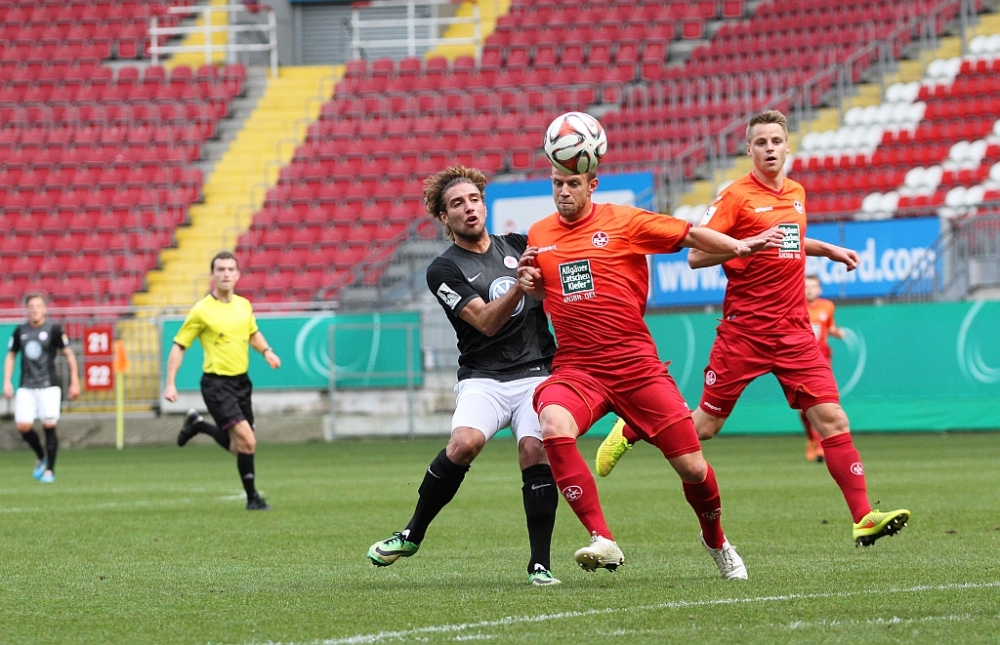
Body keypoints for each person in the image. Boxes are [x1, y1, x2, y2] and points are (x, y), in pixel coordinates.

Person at [597, 110, 909, 547]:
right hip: (745, 333)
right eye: (761, 142)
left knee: (833, 419)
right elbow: (696, 255)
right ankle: (632, 428)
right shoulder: (736, 197)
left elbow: (788, 239)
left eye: (776, 141)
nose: (769, 148)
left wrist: (827, 249)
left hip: (794, 331)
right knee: (703, 428)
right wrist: (742, 246)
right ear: (749, 149)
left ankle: (863, 517)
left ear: (787, 147)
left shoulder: (796, 192)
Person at [516, 162, 783, 579]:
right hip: (578, 367)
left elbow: (690, 235)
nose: (563, 191)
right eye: (557, 183)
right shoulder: (539, 234)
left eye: (572, 183)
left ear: (592, 185)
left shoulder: (625, 221)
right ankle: (602, 538)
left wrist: (739, 246)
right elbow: (544, 288)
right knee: (552, 424)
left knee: (693, 467)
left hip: (634, 365)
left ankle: (716, 540)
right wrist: (532, 284)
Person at [367, 166, 561, 586]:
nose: (469, 208)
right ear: (444, 217)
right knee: (465, 443)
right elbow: (486, 322)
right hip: (483, 377)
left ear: (484, 205)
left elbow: (554, 289)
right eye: (458, 203)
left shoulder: (520, 245)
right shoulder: (443, 270)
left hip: (535, 373)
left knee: (534, 449)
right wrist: (519, 286)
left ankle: (540, 565)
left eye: (474, 199)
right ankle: (412, 534)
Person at [163, 251, 281, 511]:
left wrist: (267, 351)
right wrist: (170, 382)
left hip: (242, 383)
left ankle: (198, 425)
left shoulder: (243, 305)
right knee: (248, 441)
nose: (226, 274)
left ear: (237, 275)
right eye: (220, 269)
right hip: (216, 384)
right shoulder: (201, 310)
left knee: (241, 447)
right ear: (212, 275)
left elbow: (253, 333)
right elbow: (179, 345)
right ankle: (253, 499)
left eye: (230, 269)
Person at [3, 292, 80, 483]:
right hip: (26, 385)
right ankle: (41, 455)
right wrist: (7, 381)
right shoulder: (20, 331)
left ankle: (50, 471)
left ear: (45, 309)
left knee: (49, 425)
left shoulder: (54, 329)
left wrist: (75, 381)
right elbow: (11, 355)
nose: (35, 310)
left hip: (48, 385)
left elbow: (69, 355)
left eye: (38, 306)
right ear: (27, 310)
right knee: (23, 426)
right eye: (31, 307)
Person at [802, 274, 844, 462]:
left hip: (822, 360)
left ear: (819, 289)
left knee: (822, 403)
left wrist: (836, 332)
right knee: (803, 410)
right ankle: (812, 439)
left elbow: (828, 327)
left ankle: (821, 447)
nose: (809, 290)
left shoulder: (828, 306)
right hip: (799, 360)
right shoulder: (795, 306)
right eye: (806, 286)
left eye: (813, 286)